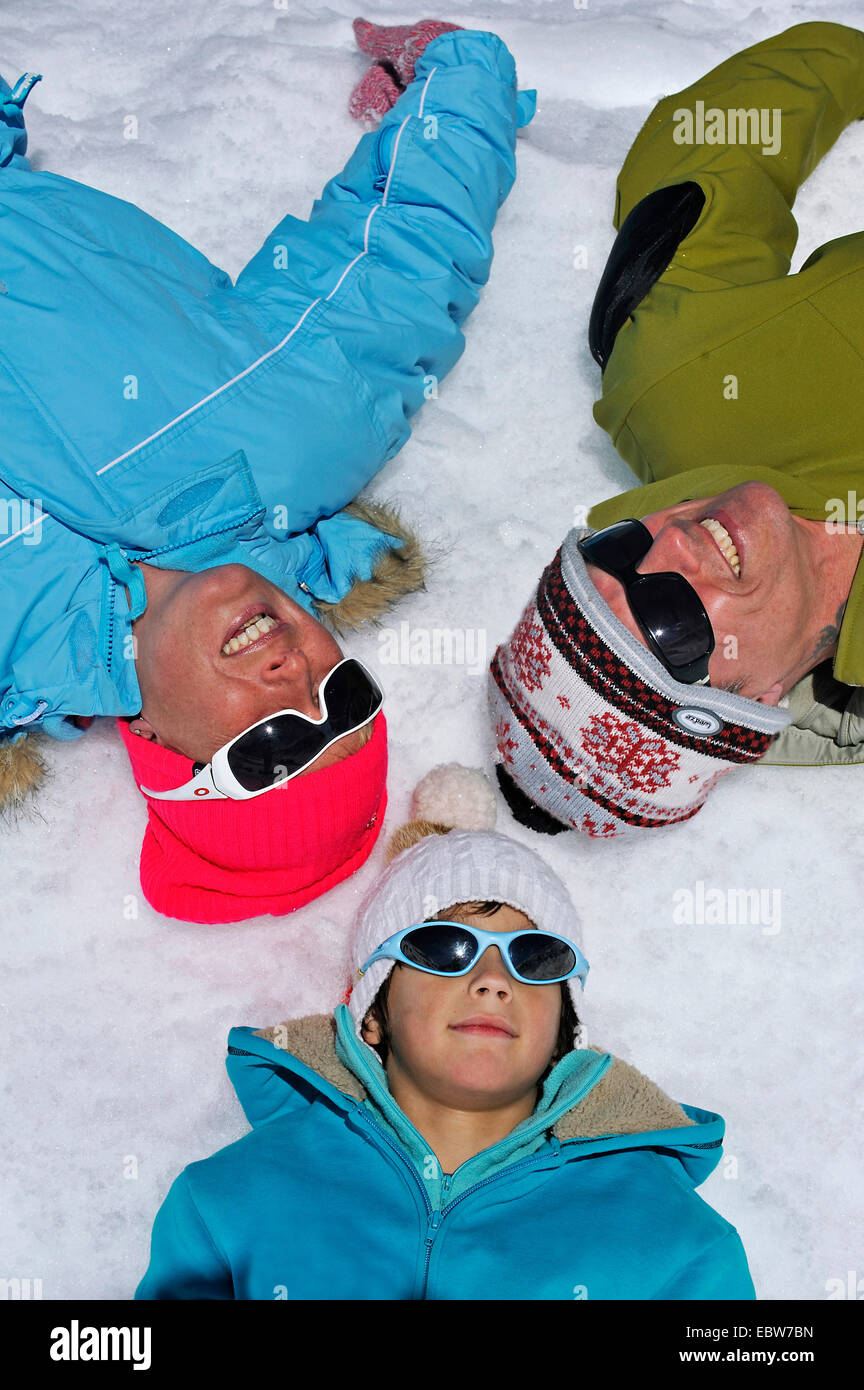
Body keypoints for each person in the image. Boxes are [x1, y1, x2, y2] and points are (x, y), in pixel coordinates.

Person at [0, 17, 537, 920]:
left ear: (159, 750)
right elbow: (412, 253)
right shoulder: (300, 428)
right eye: (346, 698)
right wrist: (453, 76)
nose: (299, 680)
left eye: (269, 751)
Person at [135, 765, 755, 1300]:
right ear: (371, 1012)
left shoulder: (674, 1239)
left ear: (567, 1027)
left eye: (535, 957)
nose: (492, 980)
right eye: (444, 948)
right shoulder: (229, 1201)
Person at [489, 22, 864, 838]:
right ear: (757, 703)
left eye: (614, 556)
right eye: (670, 625)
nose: (670, 547)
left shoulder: (680, 379)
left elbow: (713, 148)